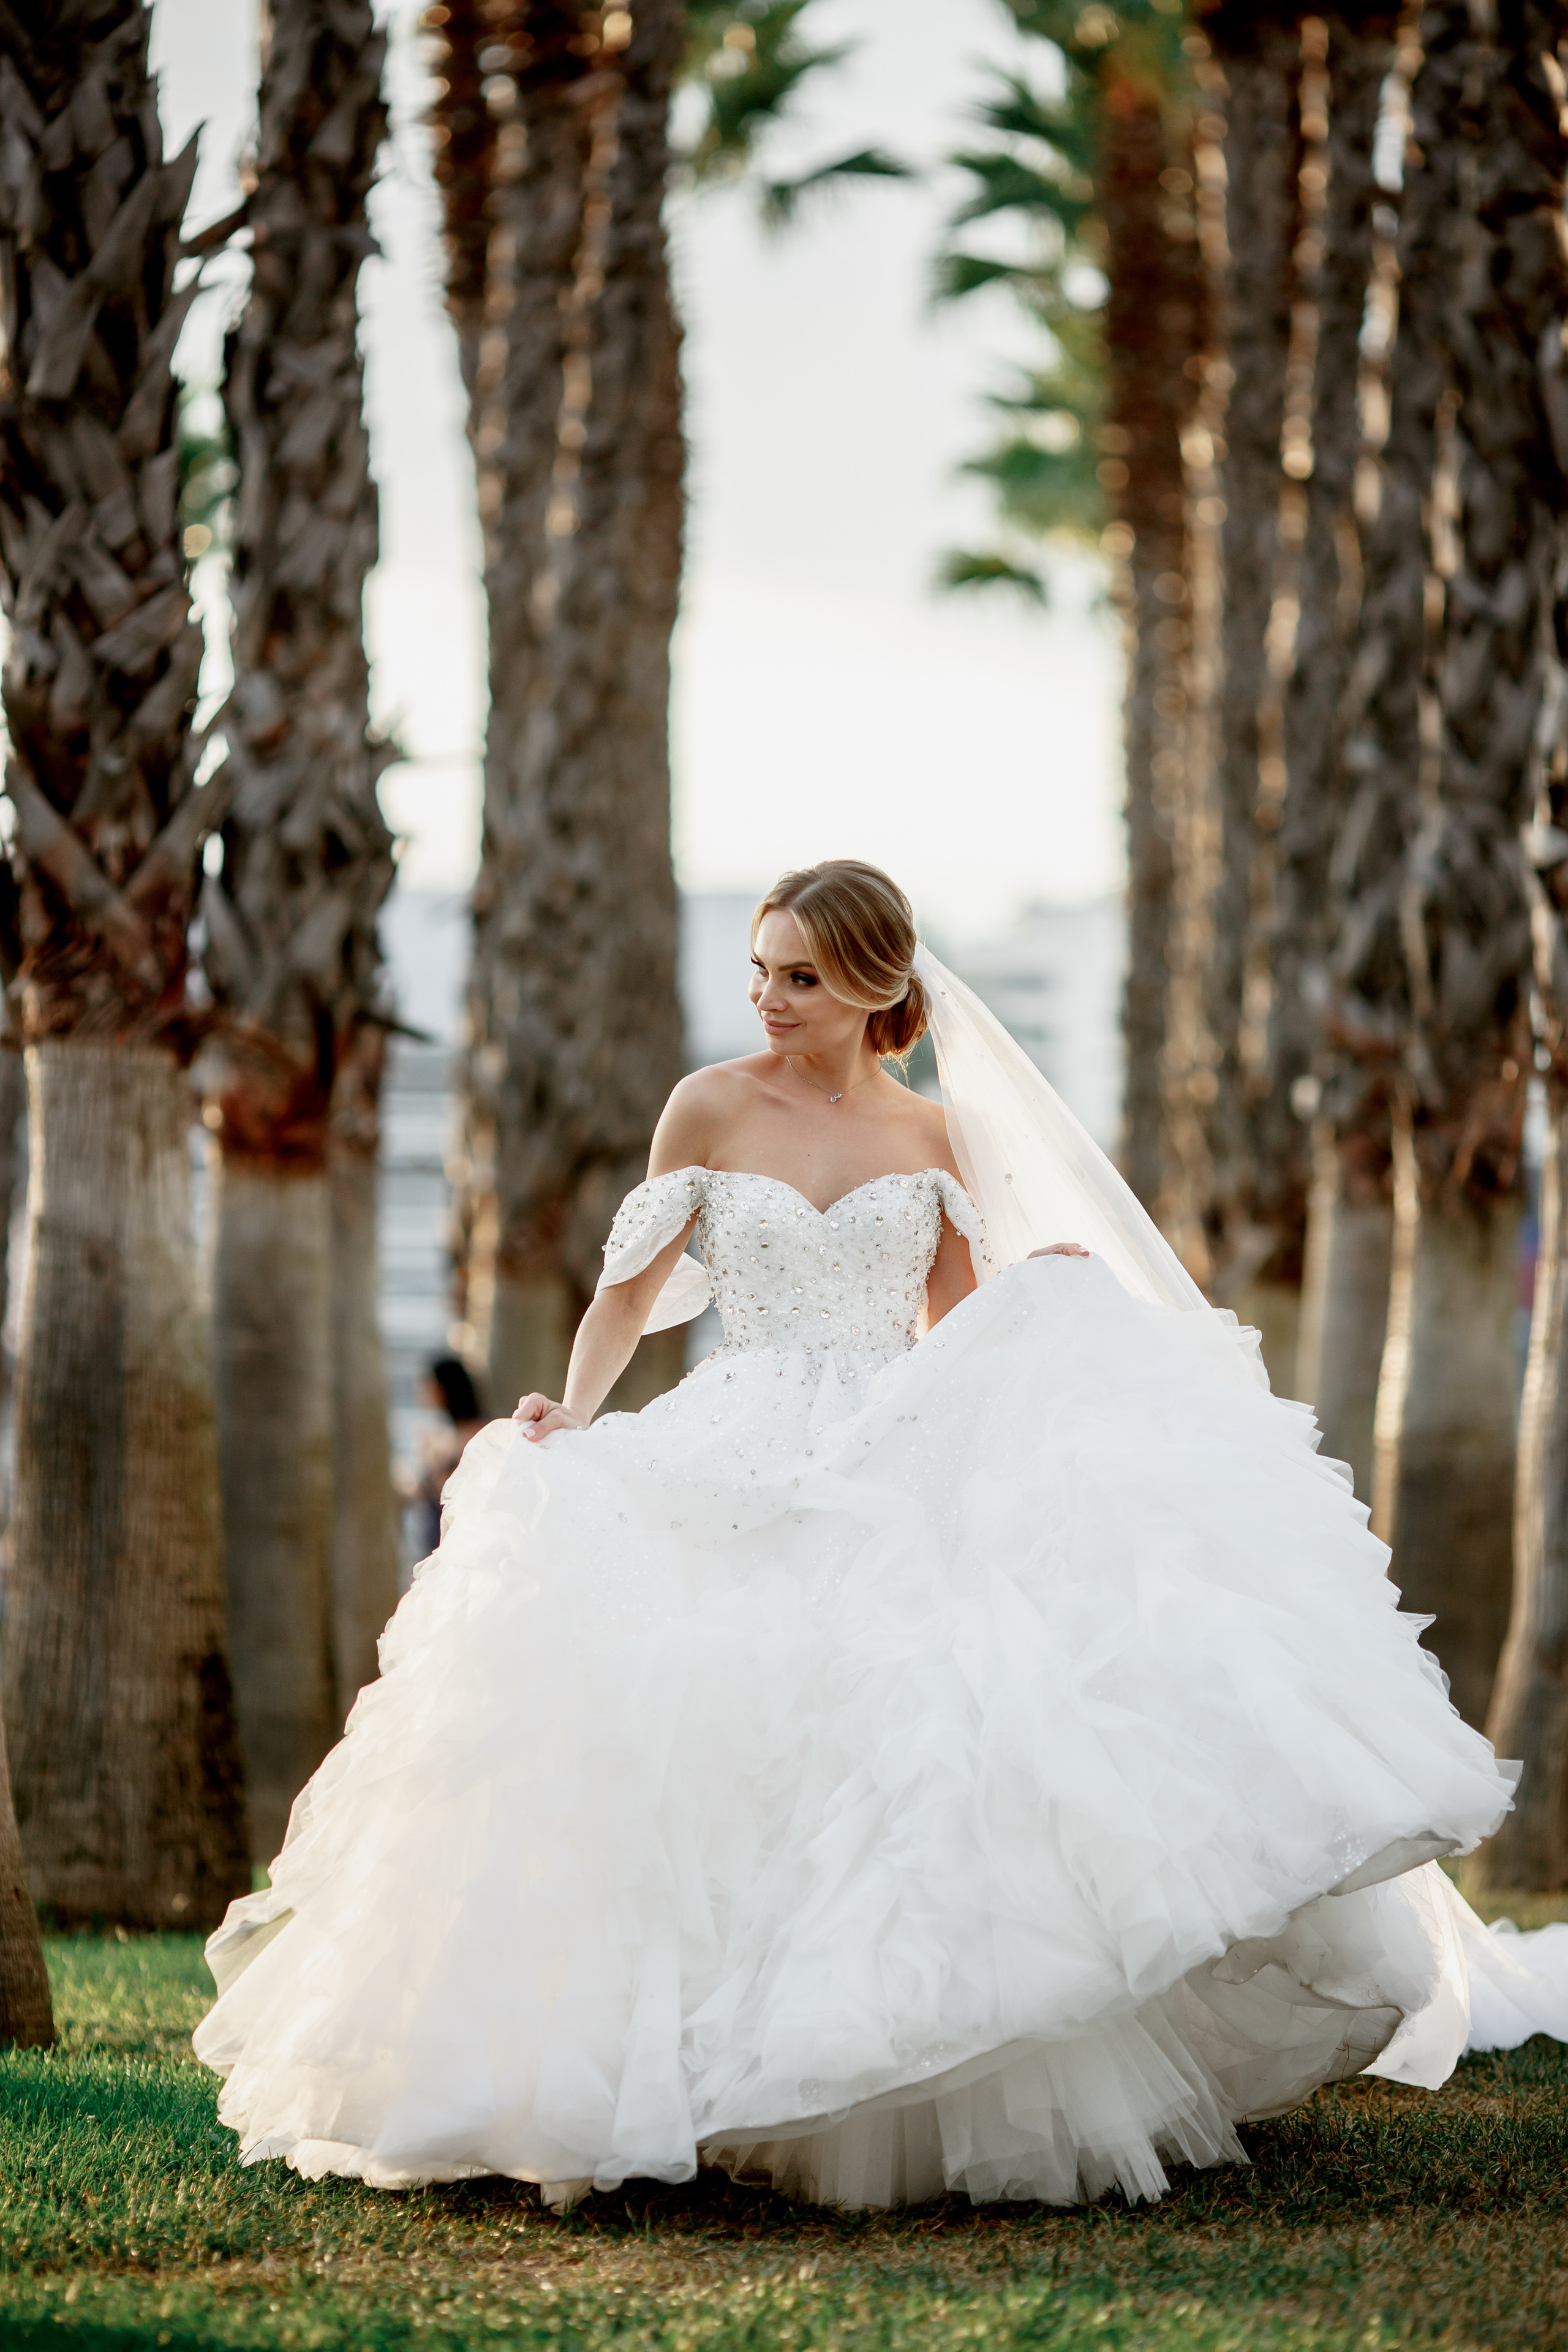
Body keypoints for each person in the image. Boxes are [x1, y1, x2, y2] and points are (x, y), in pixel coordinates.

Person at [195, 858, 1568, 2210]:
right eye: (760, 970)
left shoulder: (932, 1135)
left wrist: (1036, 1298)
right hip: (737, 1424)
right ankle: (653, 2058)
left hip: (889, 1435)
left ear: (870, 985)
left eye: (800, 977)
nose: (768, 998)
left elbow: (951, 1325)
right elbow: (628, 1292)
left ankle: (871, 2055)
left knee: (907, 1724)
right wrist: (575, 1408)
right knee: (699, 1703)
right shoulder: (706, 1105)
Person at [403, 1356, 486, 1561]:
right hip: (432, 1537)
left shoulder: (475, 1434)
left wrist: (433, 1462)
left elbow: (461, 1491)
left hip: (461, 1541)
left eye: (428, 1387)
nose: (422, 1394)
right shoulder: (438, 1433)